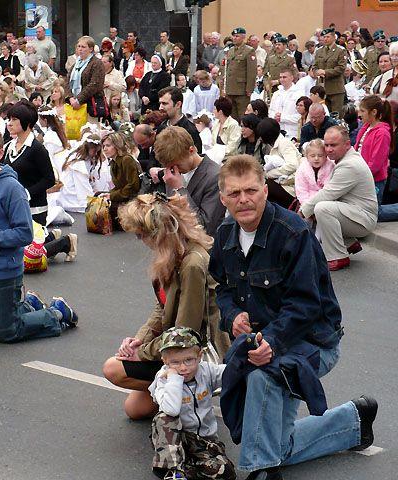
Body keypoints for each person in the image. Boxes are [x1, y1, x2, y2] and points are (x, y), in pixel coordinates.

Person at [209, 154, 378, 479]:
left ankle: (261, 470)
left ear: (265, 190)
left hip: (311, 343)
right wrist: (232, 316)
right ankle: (352, 422)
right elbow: (222, 289)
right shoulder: (226, 233)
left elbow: (306, 305)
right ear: (223, 197)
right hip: (262, 344)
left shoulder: (294, 233)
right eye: (234, 193)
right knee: (274, 444)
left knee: (261, 377)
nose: (243, 200)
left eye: (251, 190)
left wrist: (272, 341)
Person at [102, 192, 227, 420]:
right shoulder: (173, 253)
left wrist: (141, 353)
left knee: (113, 368)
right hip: (178, 344)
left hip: (196, 354)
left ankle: (192, 390)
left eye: (141, 235)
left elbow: (185, 335)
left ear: (157, 234)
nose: (141, 241)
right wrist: (139, 339)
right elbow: (162, 307)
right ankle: (182, 394)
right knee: (135, 409)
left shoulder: (192, 264)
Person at [0, 126, 78, 343]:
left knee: (6, 332)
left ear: (0, 153)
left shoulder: (12, 188)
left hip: (2, 271)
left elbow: (24, 234)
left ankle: (57, 314)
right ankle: (27, 306)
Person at [149, 327, 236, 480]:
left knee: (225, 472)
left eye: (189, 360)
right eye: (175, 362)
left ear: (199, 356)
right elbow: (172, 409)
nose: (183, 368)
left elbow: (231, 372)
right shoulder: (163, 379)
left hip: (204, 441)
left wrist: (246, 359)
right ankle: (173, 471)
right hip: (176, 438)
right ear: (165, 361)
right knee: (164, 418)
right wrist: (174, 379)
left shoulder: (205, 371)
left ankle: (187, 469)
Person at [300, 126, 377, 271]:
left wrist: (304, 211)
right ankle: (348, 243)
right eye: (327, 145)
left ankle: (338, 256)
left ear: (347, 144)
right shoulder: (346, 158)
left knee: (322, 208)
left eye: (333, 145)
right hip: (356, 213)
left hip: (364, 219)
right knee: (322, 207)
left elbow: (328, 193)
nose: (328, 149)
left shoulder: (349, 165)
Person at [154, 126, 227, 235]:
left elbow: (204, 226)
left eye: (177, 164)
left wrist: (179, 190)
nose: (175, 170)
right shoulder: (172, 172)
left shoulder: (215, 176)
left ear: (191, 150)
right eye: (169, 167)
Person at [3, 100, 55, 225]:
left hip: (34, 209)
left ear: (27, 121)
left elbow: (49, 179)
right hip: (11, 208)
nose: (9, 124)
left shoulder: (37, 148)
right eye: (9, 119)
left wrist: (26, 193)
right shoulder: (8, 146)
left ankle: (62, 241)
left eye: (14, 119)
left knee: (32, 244)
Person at [354, 95, 393, 203]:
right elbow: (357, 149)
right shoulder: (365, 127)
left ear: (374, 112)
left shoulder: (382, 133)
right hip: (362, 176)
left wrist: (361, 177)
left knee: (375, 212)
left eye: (362, 111)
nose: (359, 114)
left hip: (374, 180)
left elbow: (376, 163)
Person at [100, 131, 140, 229]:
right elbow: (119, 186)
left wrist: (112, 195)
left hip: (133, 199)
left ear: (117, 146)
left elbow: (133, 186)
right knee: (99, 196)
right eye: (104, 146)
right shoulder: (114, 162)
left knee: (107, 206)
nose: (105, 149)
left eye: (108, 146)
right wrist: (108, 194)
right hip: (124, 195)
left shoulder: (127, 160)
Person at [258, 118, 302, 208]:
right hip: (281, 184)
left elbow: (293, 165)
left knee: (262, 185)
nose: (260, 139)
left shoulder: (284, 143)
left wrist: (270, 174)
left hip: (291, 189)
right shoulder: (274, 145)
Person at [220, 28, 257, 119]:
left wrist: (249, 88)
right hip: (230, 88)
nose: (234, 38)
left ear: (243, 37)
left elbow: (251, 71)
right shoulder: (231, 50)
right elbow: (226, 68)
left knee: (242, 115)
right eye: (233, 36)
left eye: (237, 36)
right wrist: (223, 85)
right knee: (231, 116)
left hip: (242, 89)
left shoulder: (249, 51)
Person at [67, 36, 106, 122]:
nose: (80, 49)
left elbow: (94, 85)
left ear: (91, 49)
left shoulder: (96, 63)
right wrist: (71, 98)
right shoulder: (76, 64)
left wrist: (79, 100)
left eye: (83, 47)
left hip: (91, 104)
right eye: (79, 46)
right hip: (74, 103)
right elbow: (69, 83)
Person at [156, 87, 203, 153]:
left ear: (178, 104)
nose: (160, 107)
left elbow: (195, 158)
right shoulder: (161, 127)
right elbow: (155, 154)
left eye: (164, 103)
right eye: (160, 103)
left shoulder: (190, 130)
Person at [313, 28, 347, 117]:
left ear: (333, 37)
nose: (325, 39)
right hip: (322, 88)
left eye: (328, 37)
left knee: (336, 115)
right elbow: (314, 66)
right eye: (324, 37)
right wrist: (316, 72)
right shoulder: (319, 51)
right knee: (323, 115)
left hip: (335, 88)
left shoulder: (340, 50)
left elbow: (341, 68)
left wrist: (325, 72)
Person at [294, 138, 335, 205]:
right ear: (307, 156)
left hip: (325, 202)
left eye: (320, 155)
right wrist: (306, 204)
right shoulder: (302, 169)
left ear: (326, 156)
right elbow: (301, 189)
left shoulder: (331, 167)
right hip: (306, 200)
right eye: (312, 156)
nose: (316, 158)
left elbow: (329, 188)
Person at [268, 68, 301, 138]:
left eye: (284, 77)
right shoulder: (276, 94)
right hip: (276, 131)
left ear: (291, 78)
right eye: (280, 77)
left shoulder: (299, 94)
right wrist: (275, 116)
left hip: (292, 132)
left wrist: (282, 118)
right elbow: (270, 111)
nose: (282, 79)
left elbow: (300, 116)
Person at [211, 97, 241, 161]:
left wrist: (218, 154)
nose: (213, 111)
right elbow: (212, 143)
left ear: (220, 112)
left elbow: (232, 147)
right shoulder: (216, 124)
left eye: (215, 109)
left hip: (230, 160)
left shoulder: (233, 125)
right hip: (216, 158)